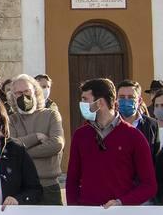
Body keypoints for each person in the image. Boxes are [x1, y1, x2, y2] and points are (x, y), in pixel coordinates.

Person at [66, 78, 157, 207]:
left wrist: (122, 202)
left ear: (100, 102)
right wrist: (74, 208)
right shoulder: (80, 135)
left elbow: (149, 185)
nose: (82, 103)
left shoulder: (134, 136)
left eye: (85, 99)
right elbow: (72, 180)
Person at [8, 74, 64, 205]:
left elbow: (56, 144)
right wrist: (36, 137)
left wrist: (23, 152)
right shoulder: (11, 119)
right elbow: (10, 148)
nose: (23, 96)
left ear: (35, 91)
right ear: (13, 96)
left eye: (26, 91)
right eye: (18, 93)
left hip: (49, 187)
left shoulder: (51, 114)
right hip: (21, 188)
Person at [116, 79, 159, 161]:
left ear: (139, 101)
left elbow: (154, 158)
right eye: (122, 97)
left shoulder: (151, 125)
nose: (126, 100)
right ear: (116, 99)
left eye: (131, 97)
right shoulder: (109, 125)